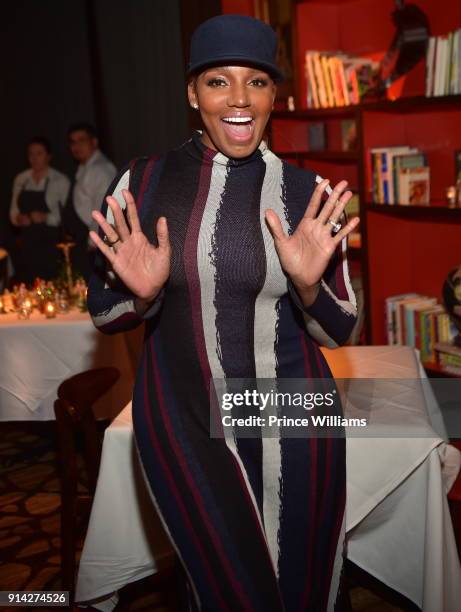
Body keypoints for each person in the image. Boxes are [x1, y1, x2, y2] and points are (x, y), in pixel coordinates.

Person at [87, 15, 359, 612]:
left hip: (295, 414)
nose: (239, 99)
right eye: (218, 81)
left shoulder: (305, 190)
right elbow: (104, 315)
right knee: (229, 589)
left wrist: (310, 288)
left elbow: (341, 330)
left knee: (303, 587)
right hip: (185, 417)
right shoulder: (143, 182)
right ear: (192, 93)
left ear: (273, 95)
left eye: (256, 81)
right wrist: (143, 294)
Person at [9, 137, 70, 284]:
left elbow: (67, 217)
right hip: (27, 243)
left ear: (49, 156)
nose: (34, 158)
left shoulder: (60, 180)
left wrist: (45, 217)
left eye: (39, 153)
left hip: (51, 244)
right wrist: (18, 218)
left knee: (53, 284)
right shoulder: (21, 179)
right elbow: (13, 212)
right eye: (30, 154)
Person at [63, 122, 116, 280]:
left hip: (96, 244)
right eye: (72, 142)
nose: (76, 146)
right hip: (85, 242)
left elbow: (103, 209)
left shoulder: (100, 169)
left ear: (94, 142)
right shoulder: (85, 168)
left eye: (81, 140)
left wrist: (94, 243)